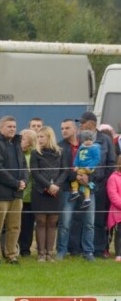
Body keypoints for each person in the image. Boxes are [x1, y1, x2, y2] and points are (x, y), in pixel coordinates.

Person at [0, 116, 27, 264]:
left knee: (15, 226)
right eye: (9, 126)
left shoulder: (17, 143)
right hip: (0, 193)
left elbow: (23, 166)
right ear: (1, 128)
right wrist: (15, 183)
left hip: (17, 193)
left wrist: (24, 181)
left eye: (14, 126)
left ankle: (11, 255)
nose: (12, 129)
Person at [76, 111, 116, 259]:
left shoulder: (105, 139)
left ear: (92, 123)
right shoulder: (79, 138)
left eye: (83, 122)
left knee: (98, 219)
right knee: (80, 218)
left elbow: (110, 163)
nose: (81, 125)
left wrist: (102, 182)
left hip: (99, 185)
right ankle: (80, 248)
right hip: (80, 183)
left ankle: (98, 249)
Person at [57, 119, 95, 261]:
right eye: (62, 128)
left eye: (67, 128)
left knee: (89, 223)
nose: (64, 131)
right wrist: (77, 176)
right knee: (65, 223)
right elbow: (62, 169)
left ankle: (88, 252)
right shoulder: (59, 147)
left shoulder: (89, 146)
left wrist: (88, 179)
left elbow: (98, 165)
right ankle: (61, 251)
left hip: (87, 188)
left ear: (75, 130)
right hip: (68, 188)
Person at [30, 126, 65, 262]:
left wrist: (56, 186)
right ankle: (41, 254)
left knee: (52, 222)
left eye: (41, 137)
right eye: (38, 137)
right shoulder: (35, 153)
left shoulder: (60, 152)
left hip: (56, 191)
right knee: (41, 221)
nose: (39, 139)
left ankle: (50, 253)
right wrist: (48, 185)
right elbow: (35, 172)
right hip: (40, 191)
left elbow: (65, 171)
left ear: (49, 137)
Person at [70, 130, 101, 209]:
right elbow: (77, 157)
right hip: (81, 167)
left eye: (90, 140)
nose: (88, 142)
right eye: (86, 140)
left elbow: (96, 159)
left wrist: (90, 166)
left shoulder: (94, 148)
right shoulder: (81, 147)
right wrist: (76, 165)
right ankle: (86, 198)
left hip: (88, 168)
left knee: (77, 175)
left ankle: (75, 191)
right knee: (84, 183)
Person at [18, 129, 37, 257]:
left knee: (27, 224)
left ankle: (25, 249)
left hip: (29, 197)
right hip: (18, 195)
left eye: (23, 139)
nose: (20, 142)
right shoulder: (17, 154)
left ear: (30, 142)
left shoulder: (33, 156)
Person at [107, 155, 121, 262]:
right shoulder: (113, 177)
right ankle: (118, 254)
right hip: (118, 212)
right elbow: (113, 196)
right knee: (119, 233)